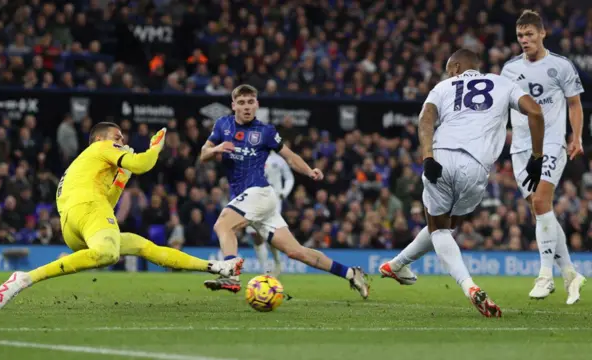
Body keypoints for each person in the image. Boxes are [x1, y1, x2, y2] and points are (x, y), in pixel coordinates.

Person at [0, 122, 243, 309]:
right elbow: (142, 164)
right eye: (117, 136)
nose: (121, 140)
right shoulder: (101, 146)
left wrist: (121, 178)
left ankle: (217, 266)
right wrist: (154, 149)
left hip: (74, 225)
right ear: (99, 138)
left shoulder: (85, 164)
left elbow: (106, 206)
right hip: (88, 210)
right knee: (109, 254)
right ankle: (24, 278)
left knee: (143, 246)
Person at [379, 49, 545, 318]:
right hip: (477, 168)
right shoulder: (503, 83)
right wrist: (537, 157)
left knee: (440, 229)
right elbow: (536, 113)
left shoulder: (443, 86)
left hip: (441, 156)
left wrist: (427, 156)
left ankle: (468, 286)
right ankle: (395, 265)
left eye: (448, 69)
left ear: (456, 67)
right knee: (446, 226)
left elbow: (426, 119)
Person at [199, 84, 369, 298]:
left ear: (257, 104)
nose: (246, 107)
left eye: (251, 102)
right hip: (252, 200)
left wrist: (309, 171)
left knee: (223, 224)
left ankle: (231, 275)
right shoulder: (222, 125)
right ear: (233, 105)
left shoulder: (266, 131)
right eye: (241, 103)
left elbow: (290, 156)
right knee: (296, 252)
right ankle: (351, 273)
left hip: (259, 192)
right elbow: (203, 153)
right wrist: (216, 149)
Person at [500, 10, 586, 304]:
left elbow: (574, 104)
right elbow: (502, 106)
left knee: (540, 202)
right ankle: (571, 274)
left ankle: (545, 276)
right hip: (521, 148)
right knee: (541, 213)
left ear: (542, 33)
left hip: (551, 143)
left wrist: (577, 136)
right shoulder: (509, 69)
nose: (524, 40)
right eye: (520, 36)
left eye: (529, 34)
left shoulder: (561, 65)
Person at [248, 149, 295, 277]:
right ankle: (265, 271)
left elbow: (290, 178)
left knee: (270, 236)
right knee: (255, 234)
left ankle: (278, 263)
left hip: (273, 200)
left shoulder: (279, 160)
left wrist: (283, 193)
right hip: (255, 199)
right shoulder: (253, 156)